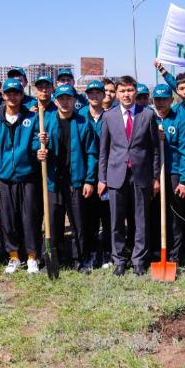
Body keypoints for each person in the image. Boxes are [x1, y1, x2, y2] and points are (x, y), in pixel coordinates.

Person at [97, 75, 161, 275]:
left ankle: (139, 260)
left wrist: (155, 177)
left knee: (141, 220)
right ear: (116, 94)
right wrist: (102, 178)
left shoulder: (147, 115)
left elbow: (154, 150)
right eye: (122, 91)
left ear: (136, 92)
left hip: (141, 175)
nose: (126, 95)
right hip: (116, 175)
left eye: (130, 90)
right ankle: (119, 260)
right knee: (116, 221)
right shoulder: (109, 116)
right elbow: (104, 151)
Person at [35, 84, 99, 270]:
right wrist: (39, 151)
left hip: (75, 181)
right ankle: (52, 259)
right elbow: (35, 145)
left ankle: (80, 259)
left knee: (79, 222)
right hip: (53, 181)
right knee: (53, 222)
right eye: (61, 98)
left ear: (74, 100)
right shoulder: (45, 122)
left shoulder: (82, 123)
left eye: (68, 98)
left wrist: (88, 180)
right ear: (56, 101)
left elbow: (92, 153)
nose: (65, 102)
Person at [0, 79, 43, 273]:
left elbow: (36, 144)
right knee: (8, 219)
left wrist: (40, 149)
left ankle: (32, 256)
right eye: (8, 93)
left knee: (30, 217)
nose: (12, 97)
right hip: (5, 177)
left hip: (28, 176)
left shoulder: (32, 118)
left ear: (21, 95)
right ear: (3, 95)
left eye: (16, 93)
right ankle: (13, 256)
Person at [151, 83, 185, 266]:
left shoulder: (180, 119)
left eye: (164, 99)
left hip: (174, 172)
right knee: (158, 214)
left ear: (171, 100)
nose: (160, 103)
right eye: (157, 99)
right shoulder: (149, 119)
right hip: (156, 173)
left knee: (176, 215)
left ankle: (176, 253)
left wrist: (183, 180)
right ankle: (159, 250)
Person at [79, 80, 112, 267]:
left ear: (103, 95)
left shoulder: (110, 117)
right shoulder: (80, 117)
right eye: (90, 93)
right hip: (87, 176)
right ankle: (91, 252)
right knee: (89, 218)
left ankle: (107, 252)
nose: (94, 96)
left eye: (97, 93)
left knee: (107, 217)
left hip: (107, 174)